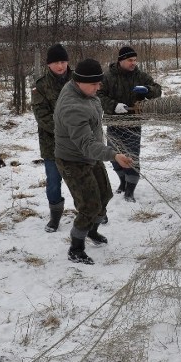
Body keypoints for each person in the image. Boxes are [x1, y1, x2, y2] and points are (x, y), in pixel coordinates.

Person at [54, 58, 134, 265]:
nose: (99, 88)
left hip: (92, 155)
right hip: (73, 160)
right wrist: (114, 155)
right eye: (94, 84)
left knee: (105, 195)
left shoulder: (83, 91)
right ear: (79, 81)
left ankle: (92, 231)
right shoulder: (72, 107)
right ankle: (76, 247)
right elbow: (87, 143)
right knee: (89, 206)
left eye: (99, 83)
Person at [98, 46, 162, 202]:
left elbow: (158, 90)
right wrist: (113, 106)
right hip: (114, 123)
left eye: (135, 60)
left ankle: (130, 190)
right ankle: (122, 181)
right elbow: (98, 95)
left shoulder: (140, 76)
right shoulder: (108, 77)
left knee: (132, 156)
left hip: (134, 123)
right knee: (114, 156)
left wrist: (147, 90)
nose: (133, 63)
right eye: (130, 60)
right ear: (121, 61)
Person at [31, 43, 72, 233]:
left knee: (83, 179)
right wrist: (66, 130)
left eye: (63, 61)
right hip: (52, 143)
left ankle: (92, 212)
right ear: (48, 64)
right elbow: (42, 117)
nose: (61, 66)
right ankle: (55, 217)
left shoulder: (77, 81)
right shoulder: (41, 86)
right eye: (56, 62)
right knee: (54, 181)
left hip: (78, 143)